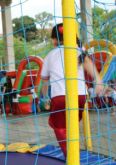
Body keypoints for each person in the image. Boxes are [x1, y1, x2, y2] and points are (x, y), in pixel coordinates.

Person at [41, 23, 104, 157]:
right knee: (71, 125)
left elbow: (45, 81)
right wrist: (98, 81)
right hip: (80, 96)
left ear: (54, 39)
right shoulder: (78, 50)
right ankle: (74, 153)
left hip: (60, 97)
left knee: (58, 126)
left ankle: (71, 157)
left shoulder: (50, 55)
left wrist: (45, 97)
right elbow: (88, 64)